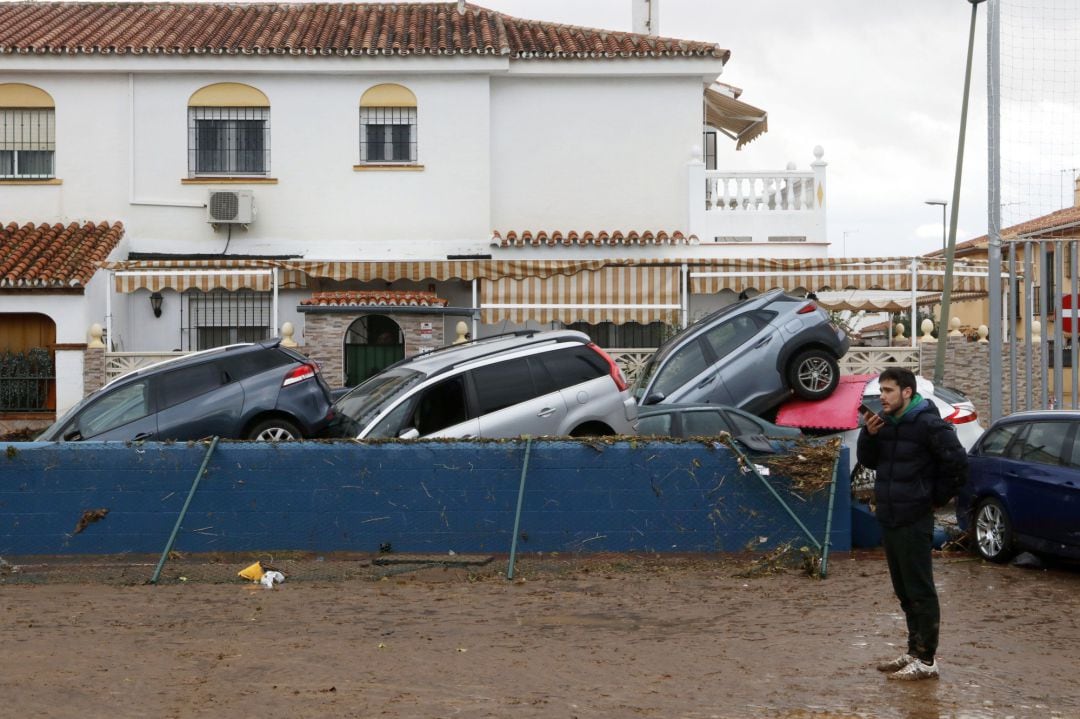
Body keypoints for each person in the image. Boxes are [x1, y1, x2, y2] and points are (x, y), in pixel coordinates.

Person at [857, 367, 968, 681]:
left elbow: (958, 463)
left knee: (920, 589)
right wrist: (869, 433)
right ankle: (913, 650)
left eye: (889, 391)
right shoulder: (886, 424)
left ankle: (928, 660)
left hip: (914, 517)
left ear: (907, 392)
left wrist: (933, 498)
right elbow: (869, 461)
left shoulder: (929, 424)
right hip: (890, 516)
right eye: (881, 391)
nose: (883, 397)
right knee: (904, 590)